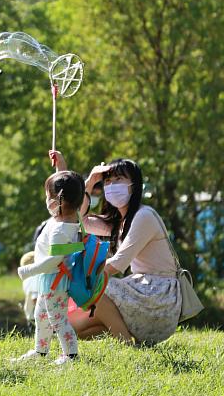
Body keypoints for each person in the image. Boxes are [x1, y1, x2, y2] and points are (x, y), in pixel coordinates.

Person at [53, 151, 181, 344]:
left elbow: (117, 264)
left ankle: (126, 344)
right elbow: (79, 220)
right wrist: (90, 181)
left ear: (134, 186)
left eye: (119, 179)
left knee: (99, 284)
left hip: (160, 299)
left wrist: (78, 277)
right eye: (108, 181)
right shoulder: (119, 222)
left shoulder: (144, 215)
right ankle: (122, 334)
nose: (112, 185)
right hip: (141, 294)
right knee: (73, 324)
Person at [14, 168, 84, 365]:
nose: (46, 200)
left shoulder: (61, 229)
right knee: (41, 315)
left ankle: (71, 355)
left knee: (57, 318)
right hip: (50, 280)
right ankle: (40, 350)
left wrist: (29, 270)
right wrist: (60, 167)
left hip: (55, 280)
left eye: (48, 196)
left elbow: (55, 260)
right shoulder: (65, 219)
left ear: (57, 201)